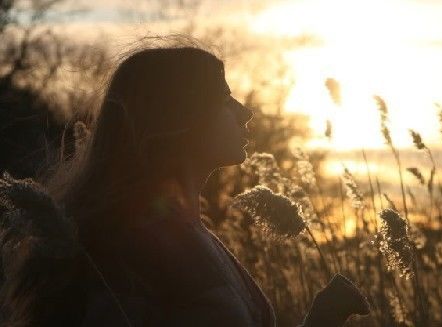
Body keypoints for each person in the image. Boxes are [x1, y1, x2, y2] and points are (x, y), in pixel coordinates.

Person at [0, 41, 369, 326]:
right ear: (180, 118)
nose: (246, 112)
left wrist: (323, 317)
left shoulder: (187, 231)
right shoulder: (133, 241)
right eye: (224, 99)